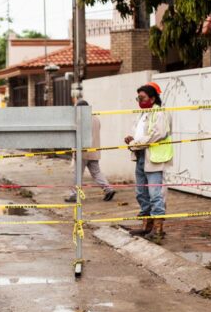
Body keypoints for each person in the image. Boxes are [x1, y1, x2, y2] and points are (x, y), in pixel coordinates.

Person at [124, 83, 173, 242]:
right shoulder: (142, 113)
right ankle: (147, 226)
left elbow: (157, 134)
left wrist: (136, 143)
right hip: (140, 156)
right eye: (138, 97)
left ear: (152, 98)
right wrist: (132, 139)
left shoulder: (159, 113)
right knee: (141, 193)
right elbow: (139, 133)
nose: (139, 100)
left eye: (142, 97)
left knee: (155, 194)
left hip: (154, 158)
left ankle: (158, 229)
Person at [64, 99, 115, 202]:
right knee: (96, 172)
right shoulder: (96, 118)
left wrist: (75, 151)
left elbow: (77, 135)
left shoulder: (81, 119)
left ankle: (74, 194)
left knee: (77, 173)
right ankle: (108, 189)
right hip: (94, 151)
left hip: (82, 151)